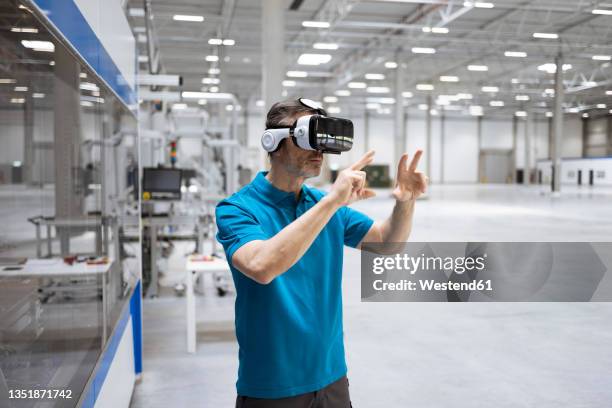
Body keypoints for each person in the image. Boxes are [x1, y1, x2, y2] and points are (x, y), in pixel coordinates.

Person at [216, 99, 428, 407]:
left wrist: (405, 201)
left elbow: (386, 243)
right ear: (273, 142)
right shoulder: (237, 208)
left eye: (323, 141)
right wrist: (332, 202)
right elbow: (261, 265)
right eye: (307, 138)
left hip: (332, 377)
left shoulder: (323, 203)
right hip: (272, 385)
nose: (319, 152)